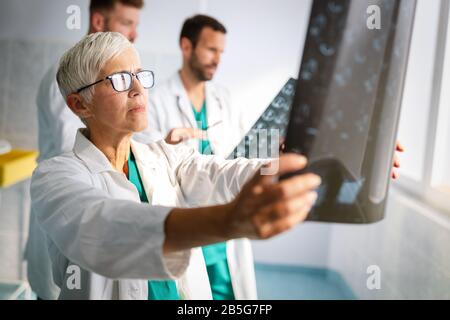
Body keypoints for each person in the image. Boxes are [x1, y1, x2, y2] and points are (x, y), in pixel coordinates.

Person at [30, 31, 322, 300]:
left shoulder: (165, 157)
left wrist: (277, 166)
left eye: (140, 76)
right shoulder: (54, 177)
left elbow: (220, 174)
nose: (138, 89)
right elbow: (103, 230)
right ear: (79, 105)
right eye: (119, 79)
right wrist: (229, 221)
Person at [25, 0, 144, 300]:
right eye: (127, 23)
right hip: (70, 212)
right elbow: (82, 149)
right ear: (99, 22)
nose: (134, 34)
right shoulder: (66, 82)